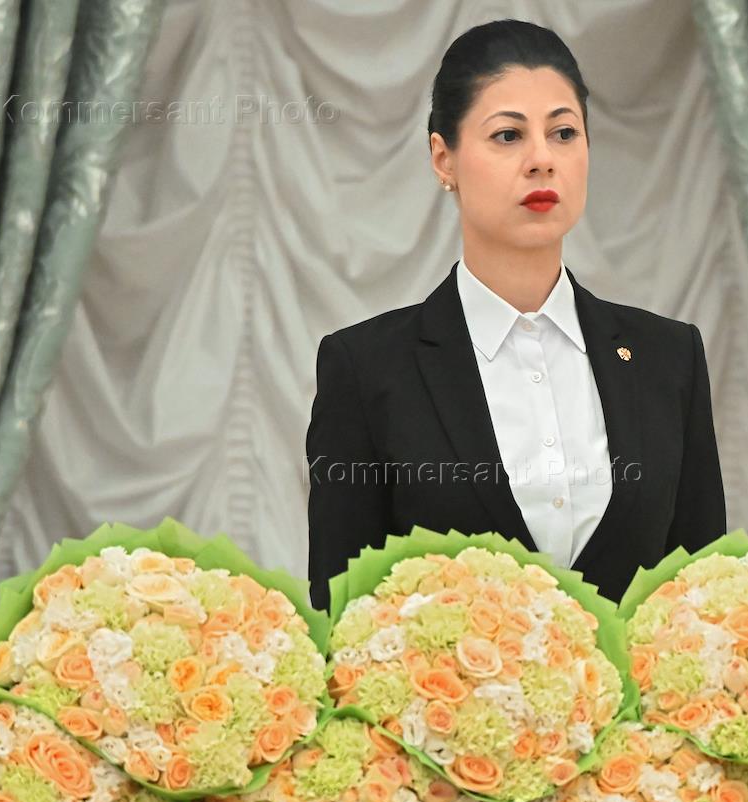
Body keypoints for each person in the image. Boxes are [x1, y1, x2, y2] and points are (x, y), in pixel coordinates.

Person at [306, 18, 725, 613]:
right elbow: (341, 614)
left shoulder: (668, 357)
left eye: (563, 133)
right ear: (443, 159)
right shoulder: (367, 369)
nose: (541, 160)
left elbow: (703, 601)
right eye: (507, 135)